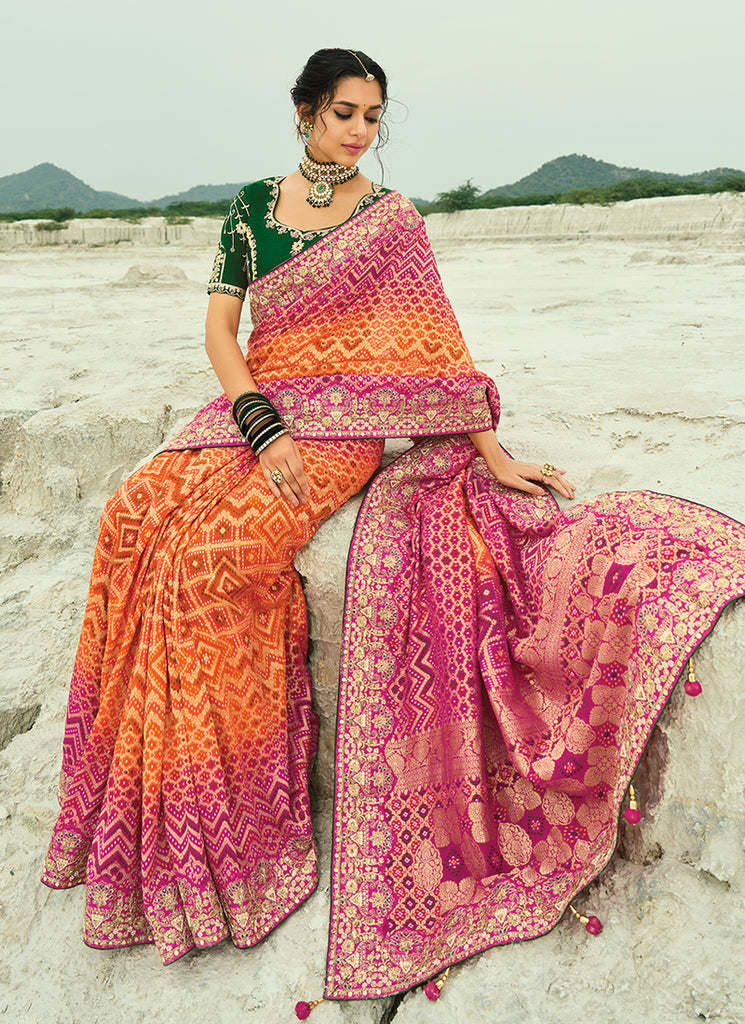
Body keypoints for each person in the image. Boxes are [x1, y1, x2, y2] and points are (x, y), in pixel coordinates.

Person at [43, 47, 745, 1009]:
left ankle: (244, 830)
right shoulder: (251, 207)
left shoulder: (391, 220)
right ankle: (140, 803)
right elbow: (221, 332)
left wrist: (495, 458)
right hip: (257, 410)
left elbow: (435, 345)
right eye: (344, 114)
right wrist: (258, 421)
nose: (361, 132)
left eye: (374, 116)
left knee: (217, 565)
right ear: (302, 113)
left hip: (343, 432)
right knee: (132, 523)